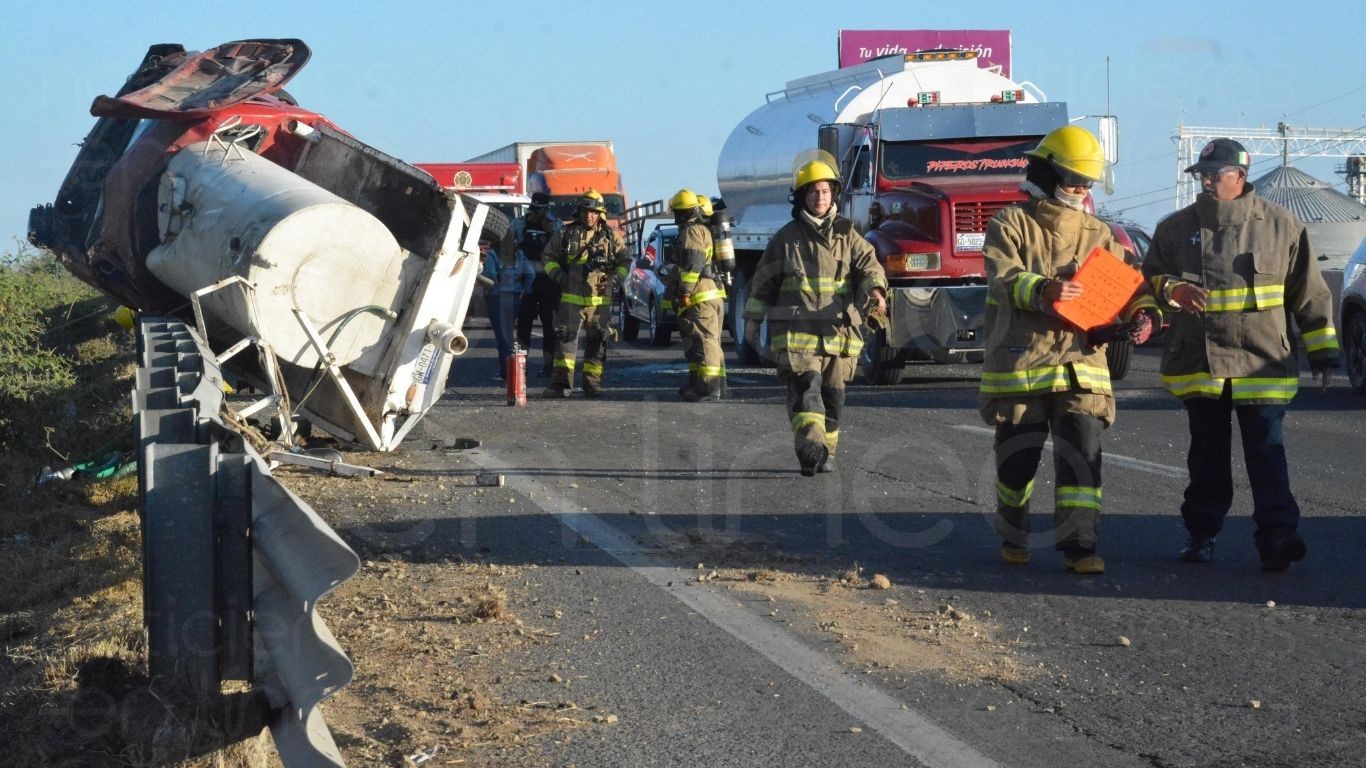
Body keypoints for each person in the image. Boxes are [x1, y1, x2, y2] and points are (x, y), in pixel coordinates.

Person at [1143, 137, 1339, 572]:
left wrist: (1323, 354)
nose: (1208, 183)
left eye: (1217, 175)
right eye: (1203, 176)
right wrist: (1171, 288)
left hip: (1261, 361)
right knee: (1207, 457)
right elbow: (1149, 279)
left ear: (1241, 177)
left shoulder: (1281, 226)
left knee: (1267, 454)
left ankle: (1278, 538)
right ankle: (1202, 534)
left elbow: (1308, 292)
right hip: (1201, 364)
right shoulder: (1175, 228)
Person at [979, 125, 1157, 575]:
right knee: (1017, 461)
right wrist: (1045, 290)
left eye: (1087, 182)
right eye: (1073, 179)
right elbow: (1003, 278)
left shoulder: (1101, 234)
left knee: (1082, 452)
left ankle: (1080, 544)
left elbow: (1130, 284)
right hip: (1022, 364)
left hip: (1082, 367)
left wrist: (1145, 313)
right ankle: (1013, 530)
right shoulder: (1010, 223)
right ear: (1046, 172)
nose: (1081, 189)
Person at [742, 155, 888, 476]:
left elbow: (869, 266)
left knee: (833, 399)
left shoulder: (849, 236)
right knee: (807, 393)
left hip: (839, 336)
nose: (819, 197)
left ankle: (826, 451)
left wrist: (876, 291)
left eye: (825, 191)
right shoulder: (786, 238)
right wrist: (752, 321)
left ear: (833, 194)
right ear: (802, 196)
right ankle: (810, 446)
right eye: (812, 192)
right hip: (798, 336)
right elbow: (763, 282)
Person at [541, 189, 629, 398]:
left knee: (598, 342)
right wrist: (561, 278)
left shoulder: (611, 237)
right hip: (571, 298)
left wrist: (614, 279)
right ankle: (561, 385)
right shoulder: (566, 234)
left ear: (600, 214)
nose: (589, 216)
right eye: (586, 211)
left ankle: (592, 384)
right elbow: (548, 258)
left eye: (593, 212)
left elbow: (625, 262)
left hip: (600, 301)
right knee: (565, 343)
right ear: (579, 212)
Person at [667, 188, 728, 401]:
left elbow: (693, 264)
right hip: (711, 294)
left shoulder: (692, 231)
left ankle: (709, 389)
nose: (675, 217)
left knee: (705, 343)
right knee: (708, 343)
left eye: (677, 212)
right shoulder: (702, 230)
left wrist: (684, 291)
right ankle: (710, 385)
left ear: (683, 212)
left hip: (700, 296)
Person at [513, 192, 563, 377]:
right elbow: (507, 248)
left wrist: (549, 231)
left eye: (539, 211)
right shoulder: (519, 223)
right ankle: (520, 365)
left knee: (550, 327)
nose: (536, 215)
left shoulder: (556, 224)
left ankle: (549, 366)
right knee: (524, 325)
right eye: (533, 210)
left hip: (549, 282)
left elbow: (563, 250)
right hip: (526, 282)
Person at [481, 230, 535, 379]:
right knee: (509, 332)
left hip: (498, 298)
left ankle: (507, 371)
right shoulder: (519, 255)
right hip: (515, 297)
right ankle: (516, 367)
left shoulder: (493, 254)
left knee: (502, 336)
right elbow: (531, 274)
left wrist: (494, 288)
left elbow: (490, 274)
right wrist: (524, 290)